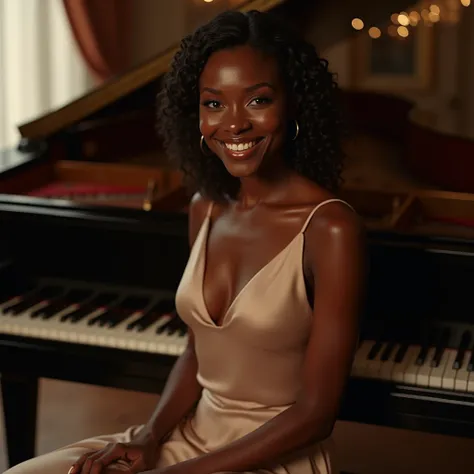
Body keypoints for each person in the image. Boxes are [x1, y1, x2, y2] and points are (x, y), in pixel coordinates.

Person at [5, 8, 365, 474]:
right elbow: (198, 351)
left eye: (257, 101)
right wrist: (150, 437)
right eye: (214, 103)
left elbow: (315, 416)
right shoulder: (205, 208)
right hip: (188, 440)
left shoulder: (331, 229)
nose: (233, 124)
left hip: (274, 456)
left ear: (294, 104)